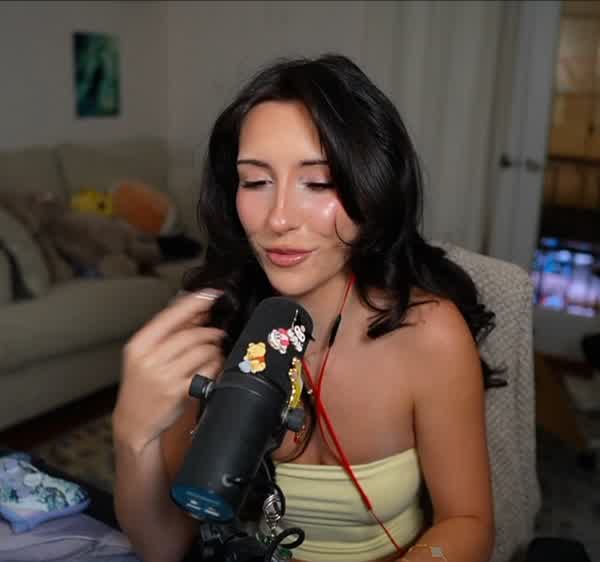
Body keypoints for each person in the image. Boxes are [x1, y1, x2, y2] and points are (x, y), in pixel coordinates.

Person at [112, 54, 498, 562]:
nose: (278, 219)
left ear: (373, 188)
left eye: (318, 183)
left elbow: (469, 523)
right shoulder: (213, 331)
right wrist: (132, 435)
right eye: (255, 182)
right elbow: (163, 546)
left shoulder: (428, 332)